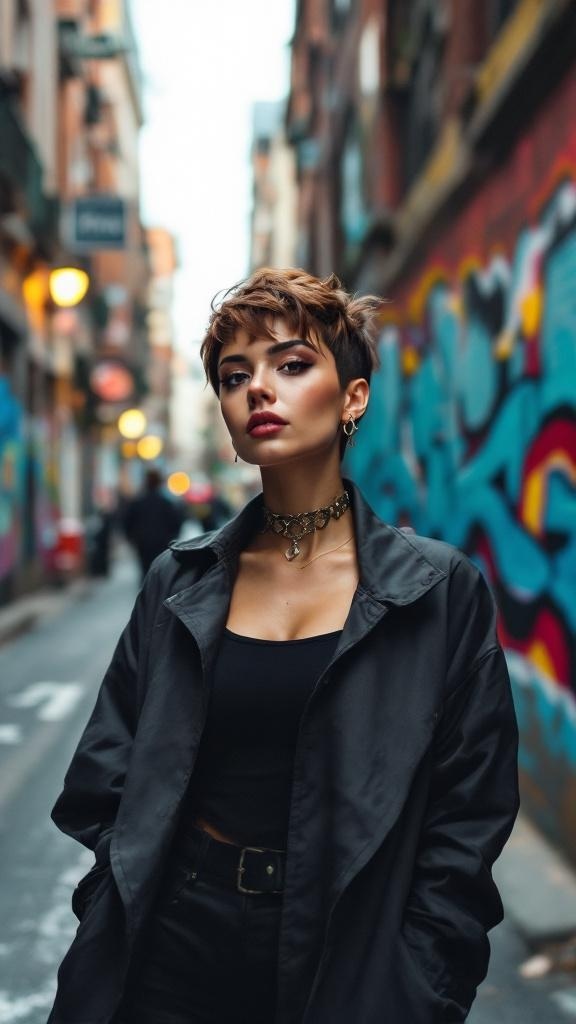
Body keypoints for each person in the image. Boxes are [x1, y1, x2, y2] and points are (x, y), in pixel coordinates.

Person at [47, 268, 519, 1024]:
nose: (259, 389)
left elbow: (471, 811)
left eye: (292, 365)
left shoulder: (436, 590)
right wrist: (119, 897)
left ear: (353, 398)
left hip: (346, 954)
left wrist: (425, 977)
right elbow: (105, 771)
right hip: (174, 945)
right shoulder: (181, 581)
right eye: (236, 376)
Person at [122, 468, 184, 581]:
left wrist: (131, 538)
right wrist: (171, 538)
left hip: (143, 542)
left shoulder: (138, 502)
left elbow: (127, 522)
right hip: (161, 543)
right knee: (159, 571)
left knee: (145, 571)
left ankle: (146, 593)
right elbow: (176, 522)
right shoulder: (166, 503)